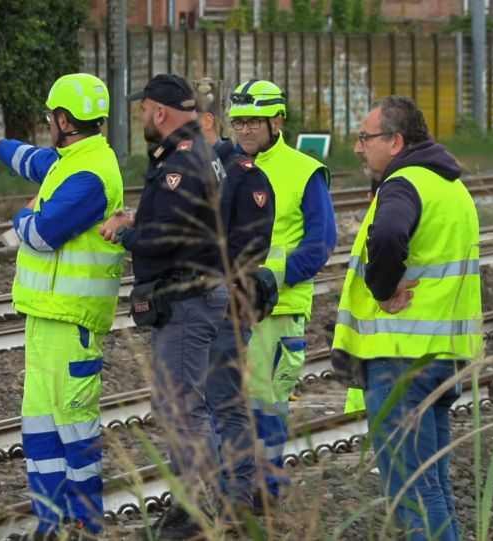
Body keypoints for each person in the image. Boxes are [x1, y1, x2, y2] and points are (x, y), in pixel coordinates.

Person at [0, 73, 126, 541]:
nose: (47, 124)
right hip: (46, 318)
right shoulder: (72, 158)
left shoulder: (92, 176)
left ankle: (85, 527)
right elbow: (34, 160)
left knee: (75, 432)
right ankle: (51, 524)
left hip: (71, 323)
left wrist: (23, 212)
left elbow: (40, 233)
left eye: (51, 116)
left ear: (64, 120)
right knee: (40, 432)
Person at [330, 95, 482, 541]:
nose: (358, 148)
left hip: (402, 358)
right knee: (433, 487)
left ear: (395, 141)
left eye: (365, 138)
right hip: (442, 356)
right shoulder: (450, 185)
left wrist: (382, 287)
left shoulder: (403, 184)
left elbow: (391, 232)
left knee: (412, 494)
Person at [97, 73, 229, 540]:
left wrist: (125, 233)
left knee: (180, 408)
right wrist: (139, 216)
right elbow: (184, 218)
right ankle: (197, 504)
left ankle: (196, 511)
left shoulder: (182, 161)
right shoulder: (199, 153)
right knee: (184, 406)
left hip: (186, 299)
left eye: (143, 110)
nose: (141, 119)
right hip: (195, 293)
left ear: (159, 112)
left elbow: (170, 236)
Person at [226, 79, 337, 498]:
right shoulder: (227, 166)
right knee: (229, 405)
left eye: (253, 120)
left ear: (277, 120)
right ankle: (235, 490)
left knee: (265, 407)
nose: (245, 129)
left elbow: (321, 243)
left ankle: (264, 495)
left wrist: (275, 276)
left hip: (277, 310)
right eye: (238, 122)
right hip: (227, 308)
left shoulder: (304, 171)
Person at [191, 88, 276, 516]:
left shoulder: (241, 173)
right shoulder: (197, 168)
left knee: (226, 403)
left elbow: (250, 246)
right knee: (201, 405)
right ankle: (215, 495)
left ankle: (237, 499)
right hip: (193, 310)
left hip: (224, 308)